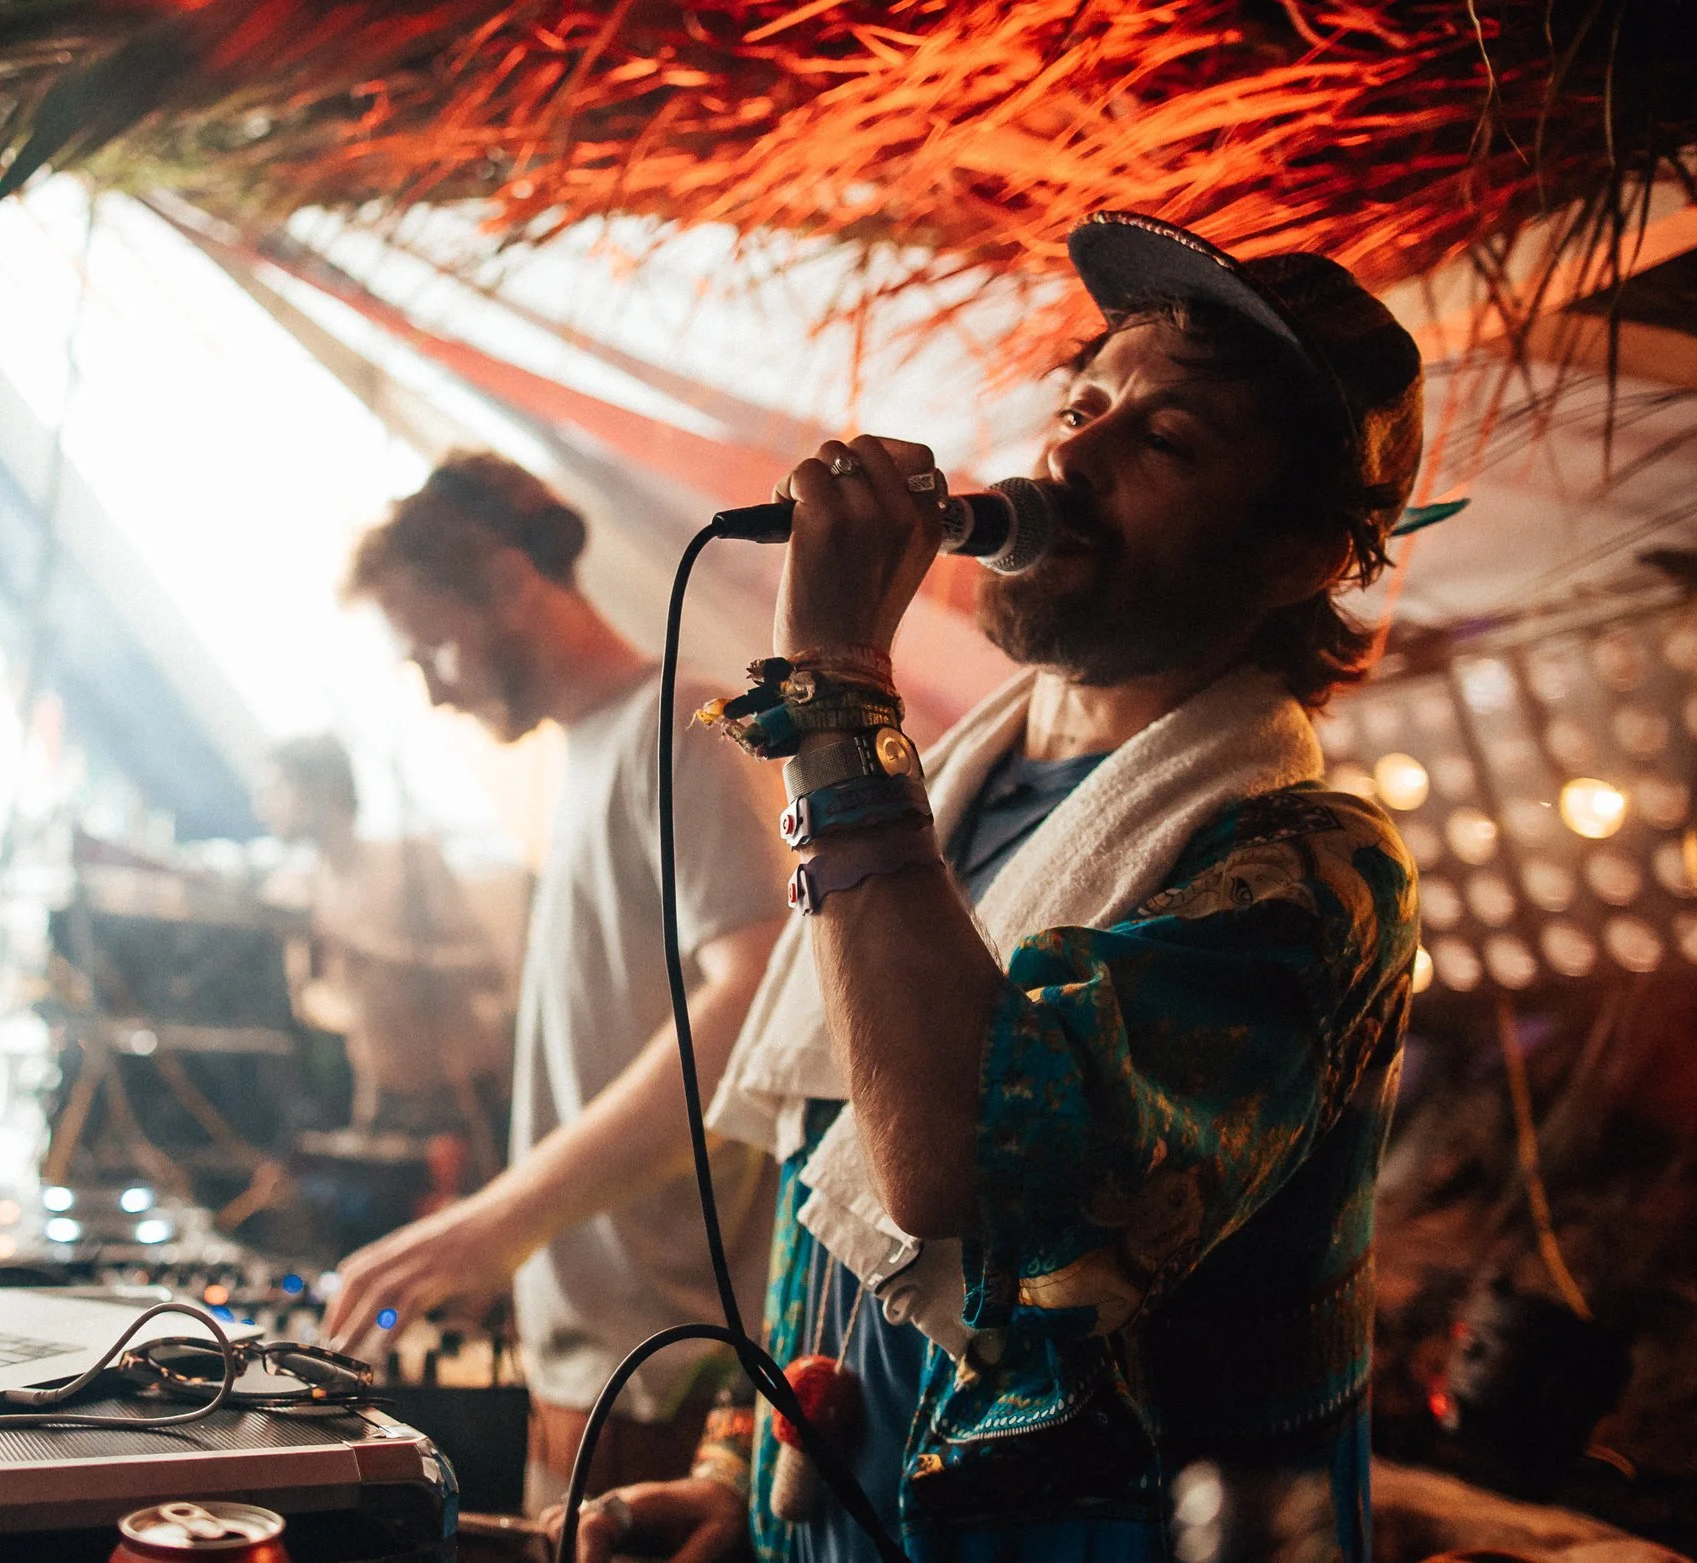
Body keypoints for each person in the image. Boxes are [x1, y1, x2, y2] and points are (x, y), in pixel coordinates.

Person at [559, 212, 1425, 1562]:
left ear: (1300, 555)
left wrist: (838, 679)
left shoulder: (1307, 872)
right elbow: (830, 1181)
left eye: (1166, 438)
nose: (1071, 451)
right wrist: (744, 1472)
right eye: (1084, 403)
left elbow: (951, 1164)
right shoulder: (942, 793)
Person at [320, 454, 791, 1508]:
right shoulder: (585, 756)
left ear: (503, 581)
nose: (433, 686)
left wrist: (501, 1218)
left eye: (430, 643)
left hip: (672, 1374)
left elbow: (753, 995)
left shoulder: (686, 728)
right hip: (593, 1370)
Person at [258, 732, 507, 1151]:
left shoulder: (410, 861)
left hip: (464, 1100)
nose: (261, 806)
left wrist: (372, 954)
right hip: (383, 1106)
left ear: (322, 787)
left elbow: (491, 971)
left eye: (274, 788)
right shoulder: (304, 890)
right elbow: (327, 1013)